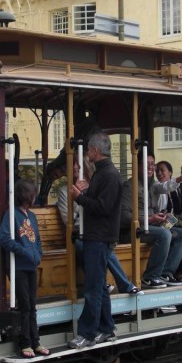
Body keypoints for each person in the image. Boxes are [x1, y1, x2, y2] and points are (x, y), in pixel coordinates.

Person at [67, 132, 121, 349]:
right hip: (98, 236)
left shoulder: (108, 175)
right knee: (98, 287)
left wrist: (79, 198)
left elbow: (103, 208)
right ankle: (107, 329)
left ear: (95, 151)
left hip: (99, 237)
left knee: (93, 287)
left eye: (89, 149)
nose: (87, 153)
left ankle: (87, 333)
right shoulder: (104, 173)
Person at [57, 159, 140, 295]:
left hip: (96, 230)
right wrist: (78, 198)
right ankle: (113, 284)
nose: (75, 167)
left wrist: (85, 202)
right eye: (72, 165)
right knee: (82, 246)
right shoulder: (64, 191)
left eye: (77, 163)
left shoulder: (93, 185)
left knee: (104, 247)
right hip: (78, 232)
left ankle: (117, 284)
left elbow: (100, 208)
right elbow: (68, 219)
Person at [0, 179, 48, 358]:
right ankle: (25, 342)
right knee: (25, 304)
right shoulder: (11, 215)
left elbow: (37, 240)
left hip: (31, 266)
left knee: (31, 304)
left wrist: (38, 254)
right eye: (33, 194)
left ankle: (36, 341)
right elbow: (4, 239)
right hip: (18, 266)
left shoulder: (31, 216)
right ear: (27, 196)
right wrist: (25, 252)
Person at [146, 157, 182, 285]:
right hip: (160, 224)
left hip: (169, 222)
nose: (159, 173)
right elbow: (163, 212)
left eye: (162, 170)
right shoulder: (158, 189)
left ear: (170, 173)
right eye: (157, 171)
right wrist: (181, 177)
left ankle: (175, 271)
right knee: (175, 234)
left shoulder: (176, 190)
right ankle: (173, 272)